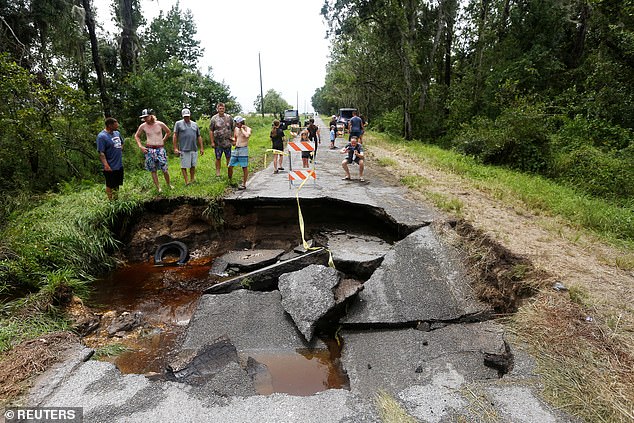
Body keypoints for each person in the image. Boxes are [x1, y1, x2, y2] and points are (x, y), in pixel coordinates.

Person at [135, 108, 173, 193]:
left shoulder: (160, 124)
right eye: (144, 117)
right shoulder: (143, 126)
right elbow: (137, 136)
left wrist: (163, 140)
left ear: (151, 116)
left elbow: (168, 132)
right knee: (153, 170)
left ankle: (168, 184)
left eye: (146, 117)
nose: (145, 119)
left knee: (165, 169)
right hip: (149, 149)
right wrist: (140, 146)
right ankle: (158, 187)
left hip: (160, 149)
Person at [173, 108, 204, 186]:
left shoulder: (195, 124)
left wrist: (202, 148)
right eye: (185, 116)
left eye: (187, 116)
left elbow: (199, 136)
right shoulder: (178, 123)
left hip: (194, 148)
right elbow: (175, 135)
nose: (186, 118)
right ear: (182, 116)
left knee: (193, 165)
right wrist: (175, 148)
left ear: (190, 115)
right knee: (184, 166)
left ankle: (192, 179)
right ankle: (187, 181)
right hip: (184, 149)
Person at [96, 117, 124, 200]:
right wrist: (106, 165)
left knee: (117, 183)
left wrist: (120, 148)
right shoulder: (102, 136)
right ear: (109, 125)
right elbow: (101, 153)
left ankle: (116, 199)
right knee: (110, 184)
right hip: (110, 165)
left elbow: (122, 143)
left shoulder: (117, 133)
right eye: (116, 124)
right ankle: (111, 201)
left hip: (119, 164)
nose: (118, 125)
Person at [209, 103, 234, 177]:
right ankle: (218, 173)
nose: (221, 110)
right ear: (217, 109)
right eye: (220, 108)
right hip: (218, 143)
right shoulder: (214, 118)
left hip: (227, 142)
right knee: (218, 158)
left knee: (228, 157)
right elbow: (211, 130)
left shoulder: (229, 117)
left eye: (223, 108)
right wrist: (212, 142)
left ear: (224, 109)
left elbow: (233, 128)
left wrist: (233, 139)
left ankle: (230, 172)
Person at [228, 116, 251, 189]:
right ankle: (230, 181)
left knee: (244, 167)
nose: (236, 125)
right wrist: (232, 140)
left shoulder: (248, 129)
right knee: (230, 166)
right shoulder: (236, 129)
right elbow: (236, 138)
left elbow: (247, 135)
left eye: (237, 123)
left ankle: (244, 184)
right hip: (236, 149)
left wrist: (241, 128)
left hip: (243, 149)